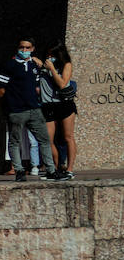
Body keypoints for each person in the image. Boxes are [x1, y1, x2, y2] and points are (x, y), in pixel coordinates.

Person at [0, 37, 62, 182]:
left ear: (32, 49)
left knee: (44, 139)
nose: (24, 50)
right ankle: (19, 171)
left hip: (34, 109)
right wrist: (9, 105)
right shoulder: (10, 65)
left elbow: (41, 83)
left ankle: (51, 170)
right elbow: (0, 89)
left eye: (27, 48)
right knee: (15, 141)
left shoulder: (34, 65)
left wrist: (40, 64)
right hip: (16, 111)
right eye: (22, 47)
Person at [40, 42, 77, 179]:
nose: (50, 57)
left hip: (64, 104)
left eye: (53, 54)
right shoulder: (42, 66)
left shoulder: (66, 65)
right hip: (48, 105)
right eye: (48, 54)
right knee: (48, 140)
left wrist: (52, 69)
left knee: (68, 137)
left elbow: (62, 84)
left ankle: (69, 169)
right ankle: (54, 169)